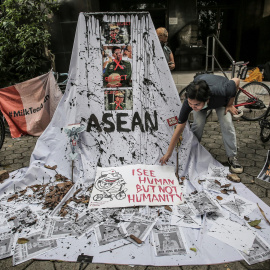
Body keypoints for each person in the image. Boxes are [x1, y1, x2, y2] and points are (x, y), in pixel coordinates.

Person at [160, 74, 243, 174]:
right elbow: (179, 127)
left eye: (196, 104)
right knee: (198, 124)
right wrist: (168, 153)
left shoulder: (222, 91)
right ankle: (193, 151)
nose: (193, 107)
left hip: (221, 102)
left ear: (207, 100)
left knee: (227, 124)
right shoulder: (189, 102)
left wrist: (230, 104)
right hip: (202, 90)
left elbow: (236, 81)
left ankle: (232, 156)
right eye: (191, 103)